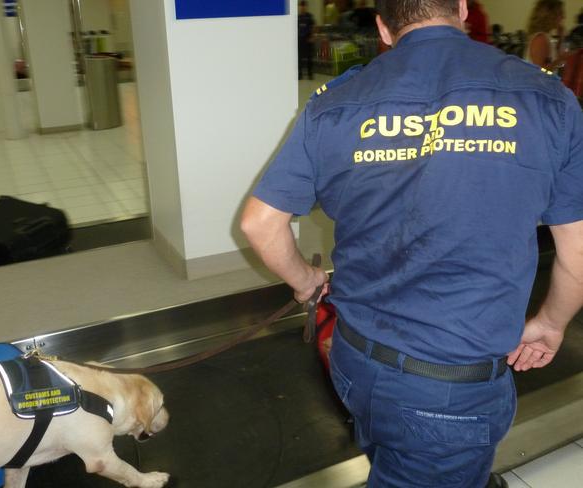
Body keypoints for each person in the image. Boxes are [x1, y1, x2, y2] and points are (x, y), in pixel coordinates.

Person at [241, 0, 583, 487]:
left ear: (382, 27)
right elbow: (579, 251)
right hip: (450, 386)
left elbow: (260, 224)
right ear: (462, 8)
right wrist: (551, 323)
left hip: (353, 358)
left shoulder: (335, 102)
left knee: (392, 451)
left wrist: (307, 283)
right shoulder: (546, 99)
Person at [525, 0, 567, 70]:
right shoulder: (540, 39)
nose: (563, 17)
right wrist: (559, 60)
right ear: (550, 16)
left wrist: (561, 39)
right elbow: (541, 72)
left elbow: (557, 65)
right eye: (560, 13)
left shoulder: (546, 37)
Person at [298, 1, 316, 80]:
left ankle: (310, 74)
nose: (302, 7)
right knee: (299, 58)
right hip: (300, 39)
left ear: (306, 7)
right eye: (301, 6)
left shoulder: (309, 16)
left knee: (309, 58)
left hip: (308, 39)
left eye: (304, 6)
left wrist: (312, 36)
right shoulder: (298, 17)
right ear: (299, 7)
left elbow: (314, 27)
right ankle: (300, 74)